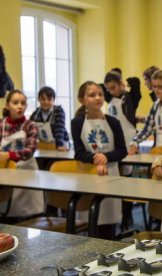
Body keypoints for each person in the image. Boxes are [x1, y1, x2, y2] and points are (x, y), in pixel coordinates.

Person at [71, 81, 127, 239]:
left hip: (111, 174)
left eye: (100, 94)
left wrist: (106, 157)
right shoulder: (77, 122)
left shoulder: (113, 122)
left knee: (108, 217)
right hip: (88, 173)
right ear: (82, 99)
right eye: (92, 95)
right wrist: (96, 158)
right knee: (88, 218)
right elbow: (79, 152)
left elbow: (122, 150)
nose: (97, 98)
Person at [0, 90, 43, 221]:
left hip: (27, 173)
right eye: (15, 103)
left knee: (27, 216)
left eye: (23, 103)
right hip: (6, 174)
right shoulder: (1, 125)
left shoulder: (31, 126)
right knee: (7, 211)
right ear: (7, 105)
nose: (20, 106)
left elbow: (30, 150)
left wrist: (9, 154)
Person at [129, 70, 162, 155]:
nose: (156, 90)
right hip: (160, 151)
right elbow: (147, 129)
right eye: (154, 87)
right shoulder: (155, 107)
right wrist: (134, 142)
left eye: (160, 87)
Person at [103, 70, 142, 149]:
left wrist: (125, 83)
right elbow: (98, 86)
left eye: (113, 88)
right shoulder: (110, 98)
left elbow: (135, 81)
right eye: (108, 89)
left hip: (130, 140)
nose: (111, 92)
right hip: (114, 139)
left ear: (121, 83)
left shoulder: (131, 98)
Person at [30, 86, 70, 151]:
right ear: (38, 99)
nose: (46, 102)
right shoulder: (35, 114)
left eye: (49, 99)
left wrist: (60, 144)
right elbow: (31, 129)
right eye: (43, 99)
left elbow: (59, 128)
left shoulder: (58, 111)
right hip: (44, 145)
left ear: (53, 100)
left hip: (61, 144)